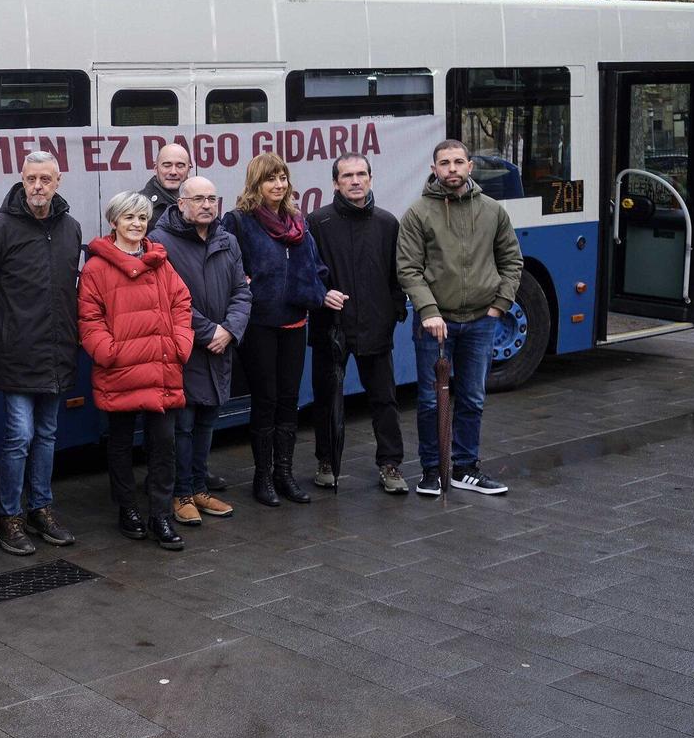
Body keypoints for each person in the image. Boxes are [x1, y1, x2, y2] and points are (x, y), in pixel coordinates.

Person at [397, 140, 522, 497]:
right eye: (444, 163)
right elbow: (408, 269)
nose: (451, 169)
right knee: (430, 401)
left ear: (470, 166)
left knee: (472, 398)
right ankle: (432, 470)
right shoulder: (417, 213)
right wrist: (429, 312)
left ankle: (465, 468)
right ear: (434, 169)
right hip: (435, 325)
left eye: (457, 162)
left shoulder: (493, 211)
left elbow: (512, 261)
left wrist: (499, 306)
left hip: (482, 322)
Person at [0, 151, 83, 554]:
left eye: (45, 179)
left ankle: (41, 508)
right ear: (21, 180)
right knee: (19, 437)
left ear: (58, 181)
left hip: (56, 353)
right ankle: (8, 516)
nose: (38, 186)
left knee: (47, 435)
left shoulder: (71, 228)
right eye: (31, 179)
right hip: (16, 354)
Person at [79, 192, 194, 550]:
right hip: (121, 370)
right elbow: (89, 319)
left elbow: (182, 302)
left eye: (142, 218)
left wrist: (180, 343)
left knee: (163, 445)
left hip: (161, 367)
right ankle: (127, 508)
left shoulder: (160, 261)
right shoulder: (96, 268)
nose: (136, 224)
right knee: (121, 444)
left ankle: (160, 514)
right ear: (113, 222)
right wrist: (108, 352)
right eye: (129, 217)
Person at [224, 154, 329, 508]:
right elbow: (227, 266)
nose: (279, 184)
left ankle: (284, 474)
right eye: (271, 178)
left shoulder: (297, 221)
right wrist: (245, 285)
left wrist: (319, 291)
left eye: (283, 177)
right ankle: (262, 477)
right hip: (259, 325)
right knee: (265, 400)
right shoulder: (239, 220)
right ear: (256, 183)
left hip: (295, 322)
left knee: (289, 399)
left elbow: (315, 266)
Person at [148, 177, 248, 527]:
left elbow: (242, 291)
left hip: (220, 347)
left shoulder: (227, 240)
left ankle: (200, 488)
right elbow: (166, 298)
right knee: (184, 425)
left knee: (207, 421)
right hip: (184, 349)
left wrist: (230, 330)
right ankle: (181, 494)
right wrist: (210, 332)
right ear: (181, 204)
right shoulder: (160, 241)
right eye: (198, 199)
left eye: (211, 198)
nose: (206, 205)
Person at [307, 154, 409, 495]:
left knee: (384, 399)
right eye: (347, 175)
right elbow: (307, 273)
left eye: (361, 174)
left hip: (376, 326)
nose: (355, 180)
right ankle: (326, 462)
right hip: (330, 327)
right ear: (335, 183)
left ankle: (390, 464)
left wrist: (394, 311)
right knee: (327, 399)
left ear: (370, 178)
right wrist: (322, 295)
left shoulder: (387, 223)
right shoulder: (317, 222)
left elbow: (397, 275)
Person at [139, 142, 194, 226]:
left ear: (188, 171)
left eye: (180, 166)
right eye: (167, 165)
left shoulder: (198, 203)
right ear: (155, 168)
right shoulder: (138, 207)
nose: (173, 172)